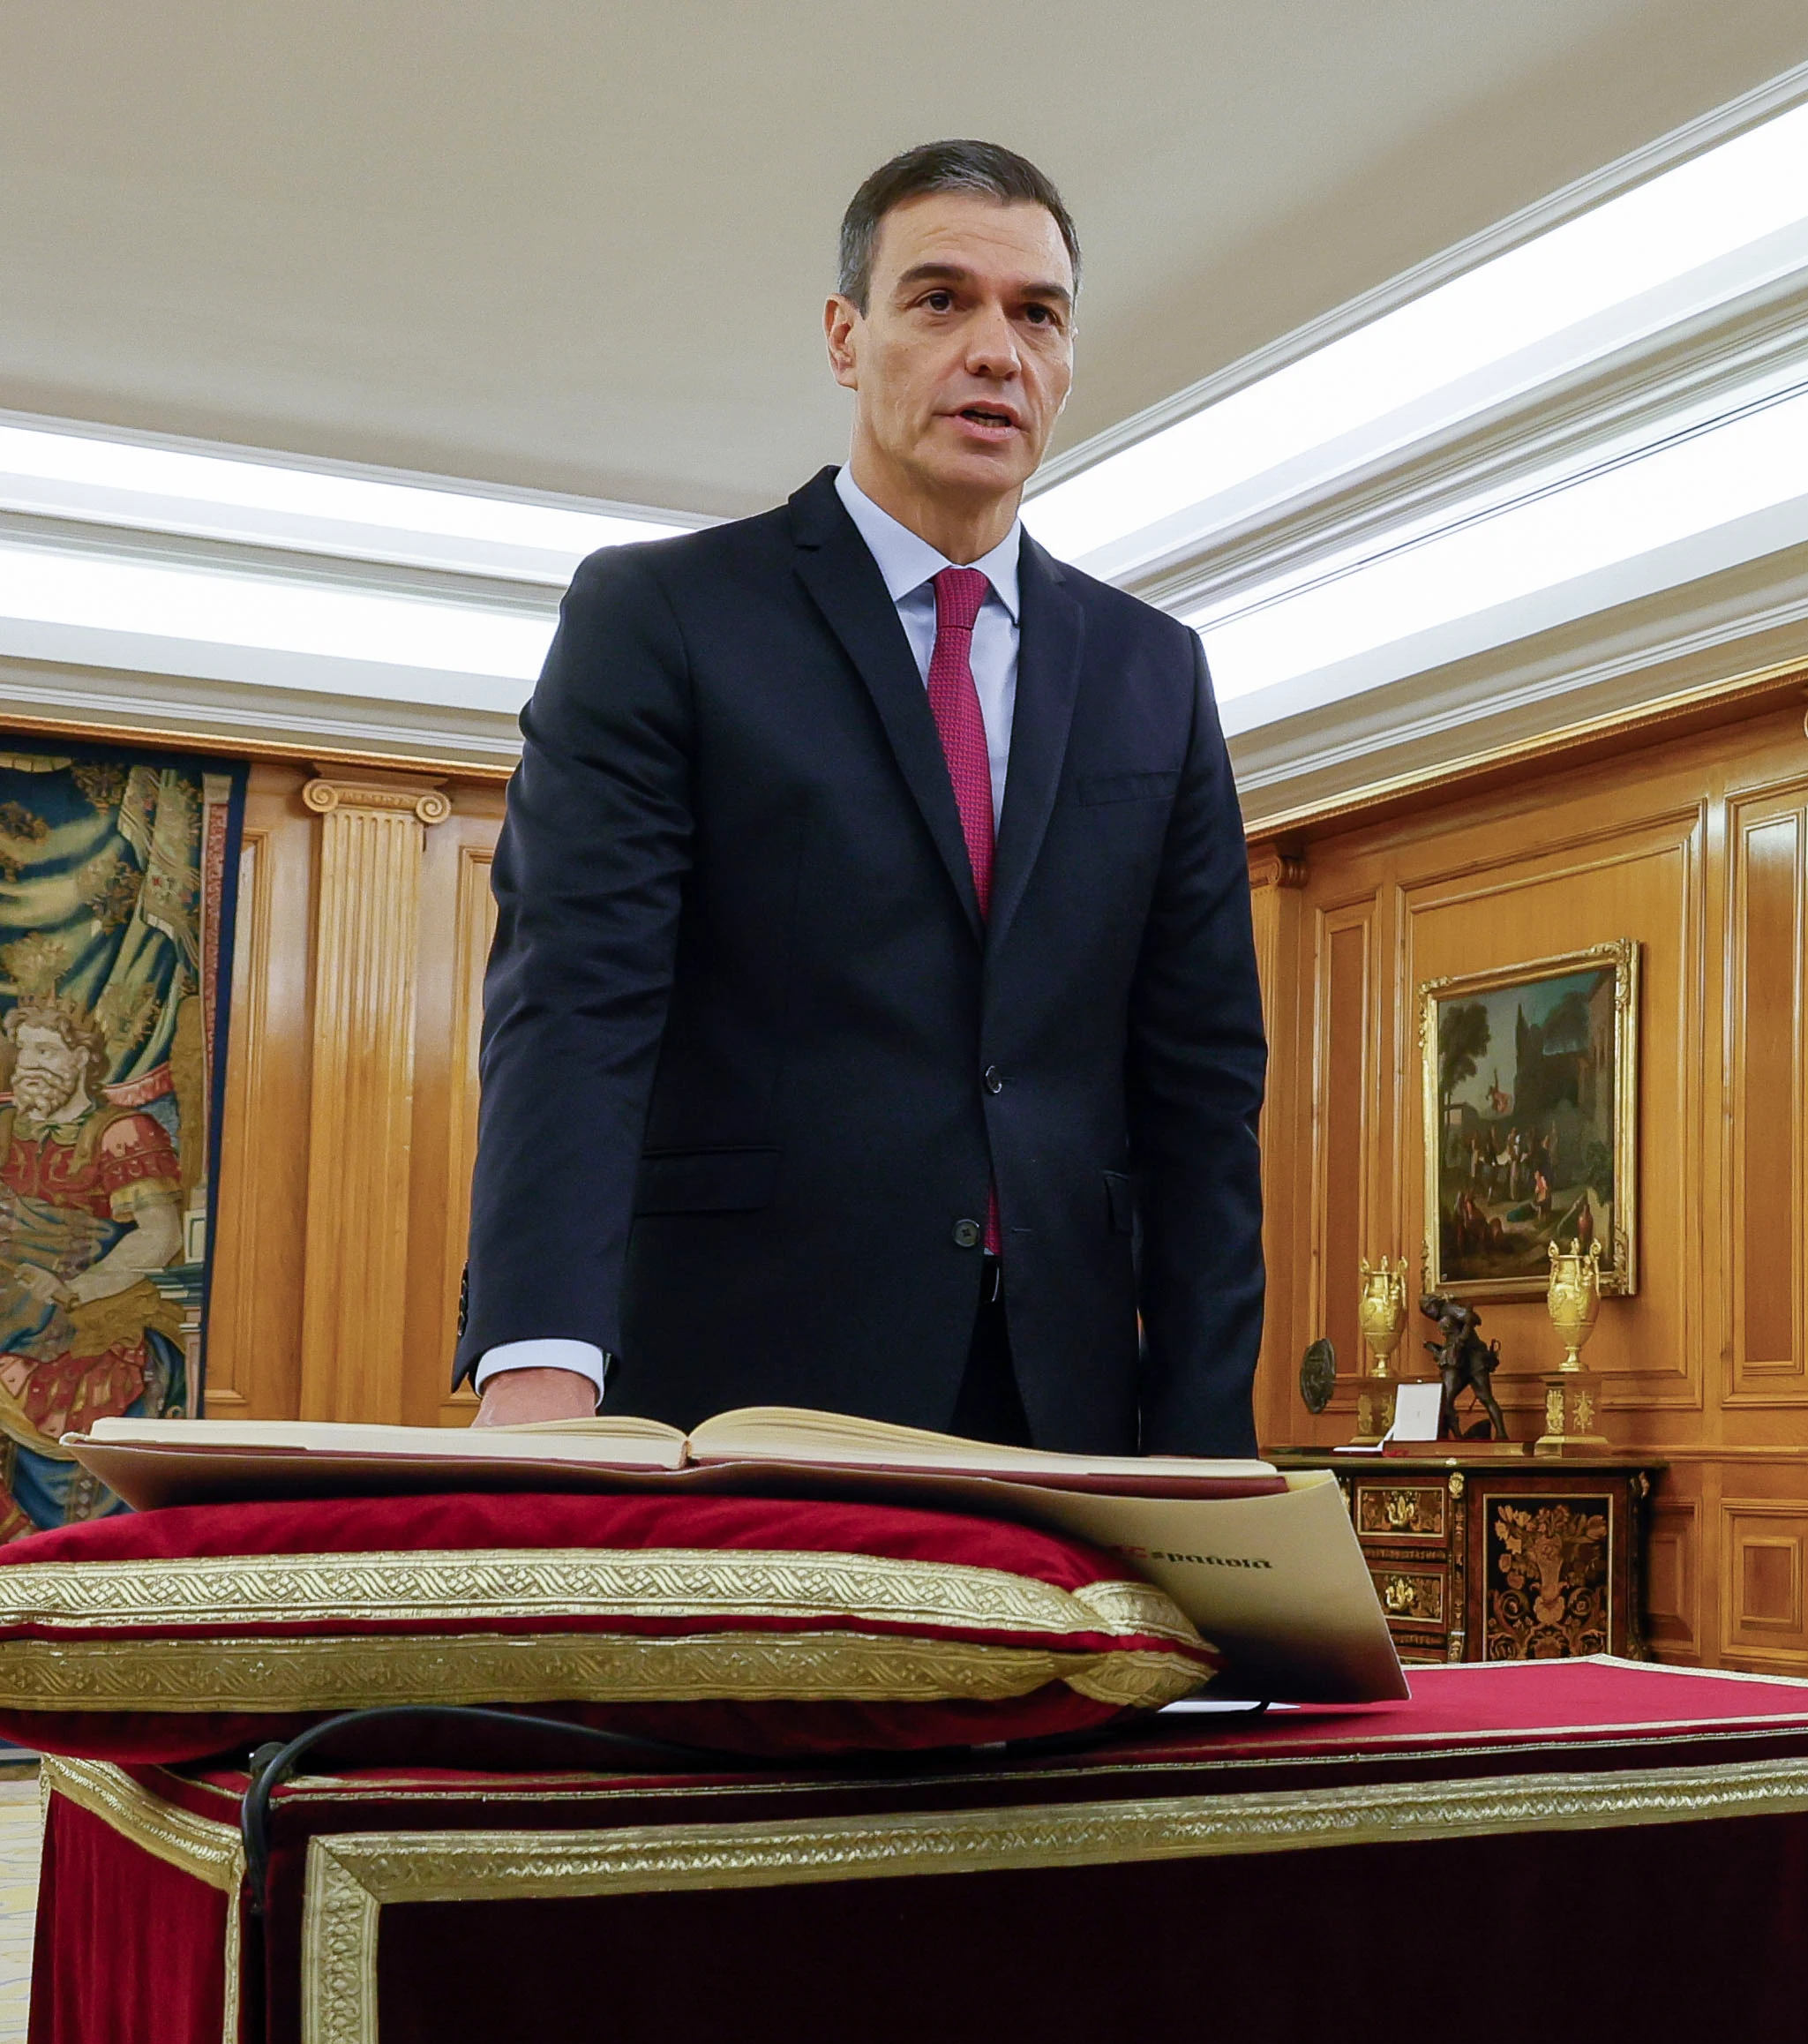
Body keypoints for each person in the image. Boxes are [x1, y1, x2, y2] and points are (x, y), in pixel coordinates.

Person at [462, 141, 1262, 1452]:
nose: (997, 350)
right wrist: (542, 1358)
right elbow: (575, 1004)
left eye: (1037, 313)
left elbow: (1203, 1084)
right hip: (738, 1379)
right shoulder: (662, 616)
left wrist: (1206, 1446)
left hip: (1059, 1402)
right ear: (846, 336)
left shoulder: (1152, 672)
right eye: (941, 299)